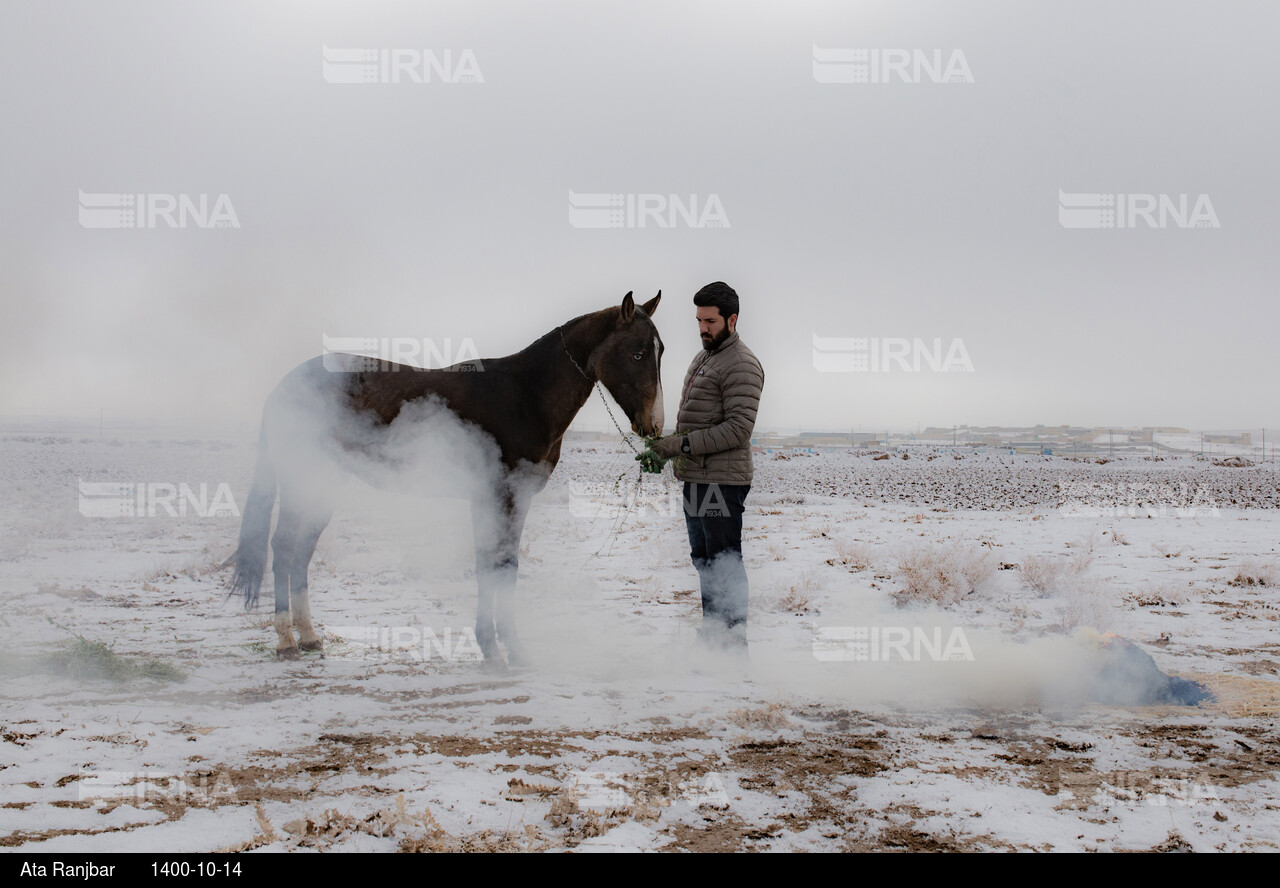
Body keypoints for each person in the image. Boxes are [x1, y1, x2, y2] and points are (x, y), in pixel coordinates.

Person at [637, 282, 765, 653]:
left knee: (724, 562)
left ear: (732, 319)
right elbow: (694, 420)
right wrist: (665, 449)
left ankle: (733, 644)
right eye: (698, 320)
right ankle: (713, 637)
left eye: (710, 321)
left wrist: (679, 445)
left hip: (722, 482)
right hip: (697, 477)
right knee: (704, 560)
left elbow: (738, 429)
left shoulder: (741, 364)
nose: (702, 328)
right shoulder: (704, 358)